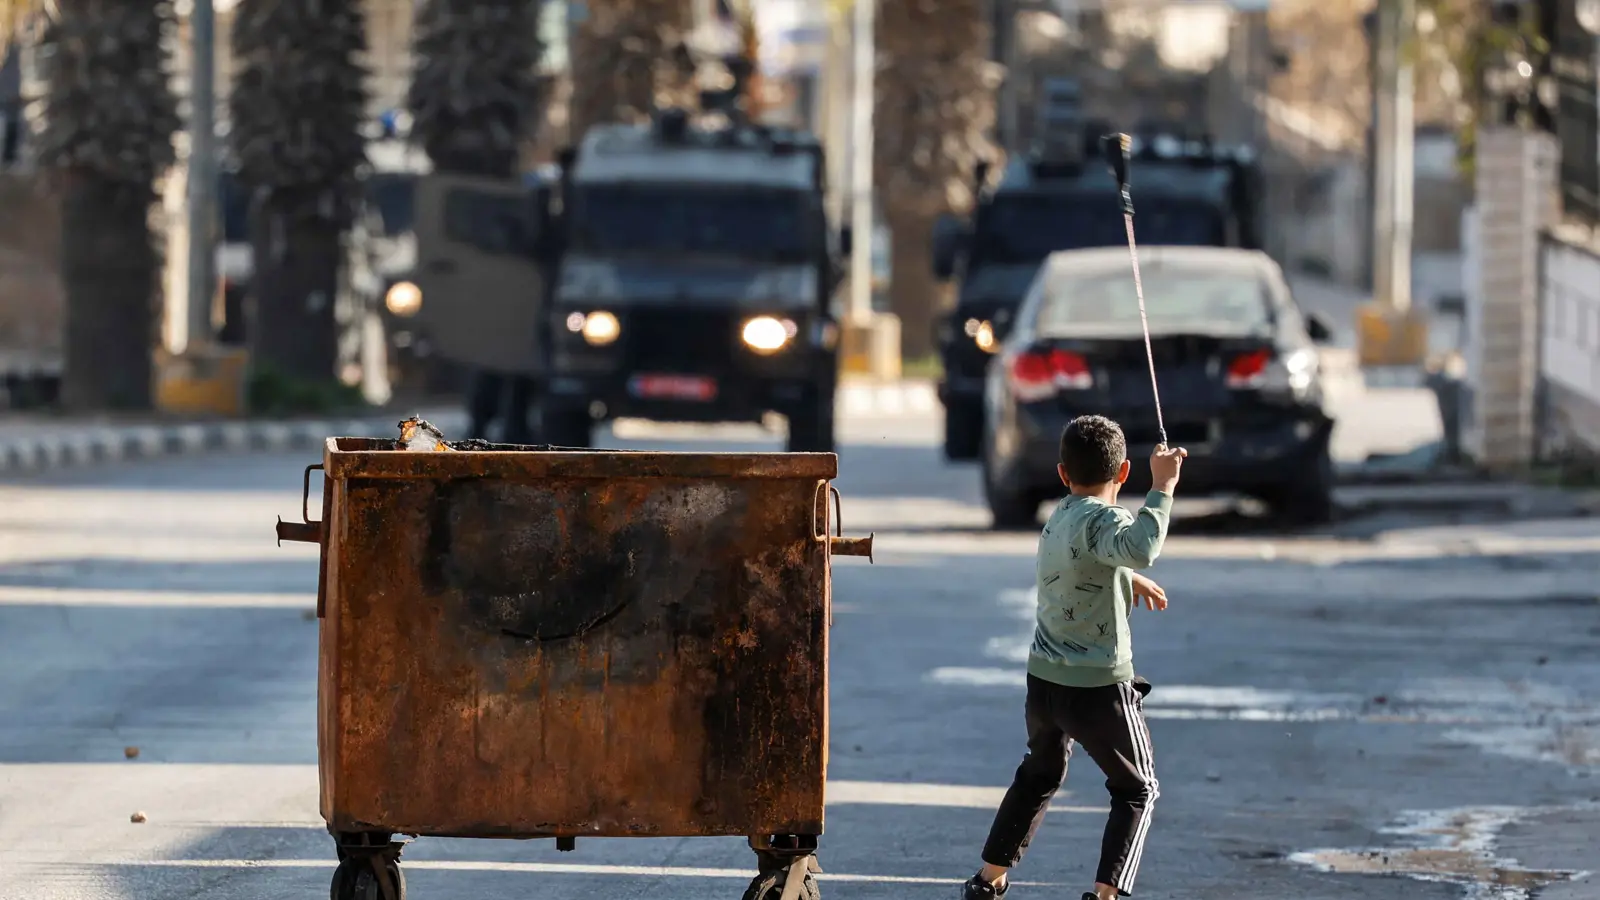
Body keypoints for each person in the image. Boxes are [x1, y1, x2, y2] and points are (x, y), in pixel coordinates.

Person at [962, 415, 1187, 900]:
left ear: (1063, 474)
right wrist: (1163, 487)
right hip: (1098, 685)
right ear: (1124, 472)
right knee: (1137, 790)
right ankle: (1107, 895)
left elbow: (1085, 565)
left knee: (1038, 774)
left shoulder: (1061, 516)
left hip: (1045, 682)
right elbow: (1141, 547)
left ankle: (988, 880)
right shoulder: (1109, 520)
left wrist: (1126, 578)